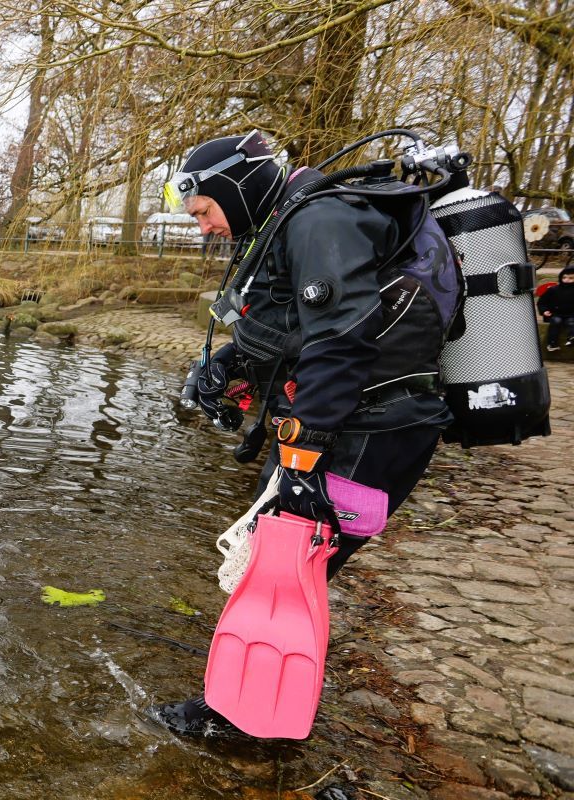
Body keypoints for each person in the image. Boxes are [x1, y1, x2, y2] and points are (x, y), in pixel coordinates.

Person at [149, 132, 456, 736]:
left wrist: (302, 459)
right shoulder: (295, 221)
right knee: (285, 561)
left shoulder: (319, 221)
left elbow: (342, 342)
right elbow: (301, 327)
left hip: (368, 432)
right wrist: (232, 361)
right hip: (357, 425)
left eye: (205, 211)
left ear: (237, 189)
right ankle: (253, 700)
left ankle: (242, 720)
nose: (206, 227)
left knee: (285, 565)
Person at [538, 265, 574, 351]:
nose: (566, 280)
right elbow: (542, 302)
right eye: (564, 277)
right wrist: (544, 311)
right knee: (556, 321)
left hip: (571, 314)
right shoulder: (553, 289)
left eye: (571, 278)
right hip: (555, 313)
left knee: (571, 322)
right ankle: (552, 344)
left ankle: (571, 339)